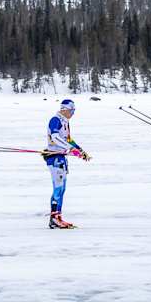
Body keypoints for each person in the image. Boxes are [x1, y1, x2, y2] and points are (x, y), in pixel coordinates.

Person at [43, 98, 90, 229]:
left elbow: (68, 139)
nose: (72, 113)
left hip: (62, 158)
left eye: (74, 111)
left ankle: (58, 217)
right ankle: (54, 218)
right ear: (64, 109)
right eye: (71, 111)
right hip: (54, 157)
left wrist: (80, 151)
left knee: (62, 189)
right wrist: (70, 149)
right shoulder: (55, 120)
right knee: (58, 188)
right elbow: (55, 137)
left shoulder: (65, 122)